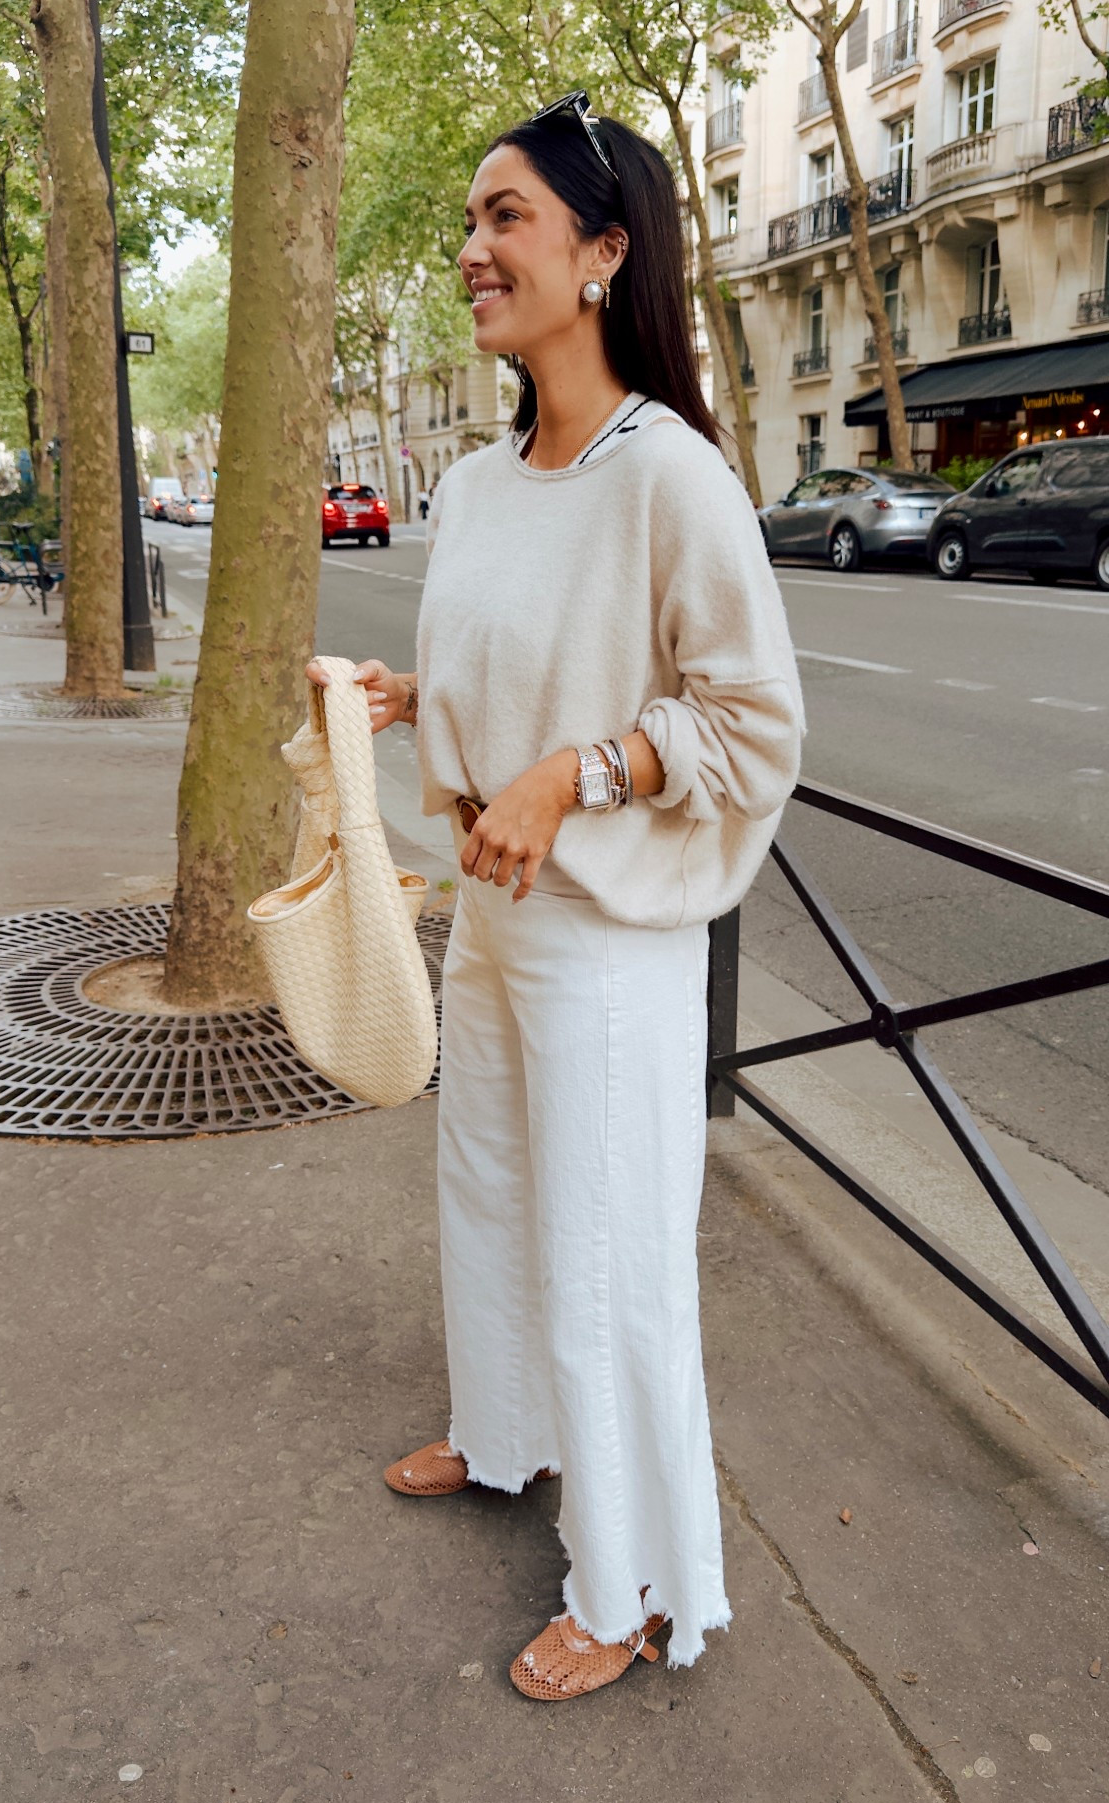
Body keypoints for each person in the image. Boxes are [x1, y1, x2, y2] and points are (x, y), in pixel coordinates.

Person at [306, 90, 803, 1701]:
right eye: (470, 218)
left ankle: (639, 1580)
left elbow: (750, 722)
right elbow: (498, 682)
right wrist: (408, 705)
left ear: (603, 252)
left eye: (505, 216)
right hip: (494, 922)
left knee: (608, 1252)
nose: (471, 247)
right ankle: (510, 1437)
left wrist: (577, 775)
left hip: (609, 945)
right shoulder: (477, 480)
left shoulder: (671, 476)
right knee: (493, 1195)